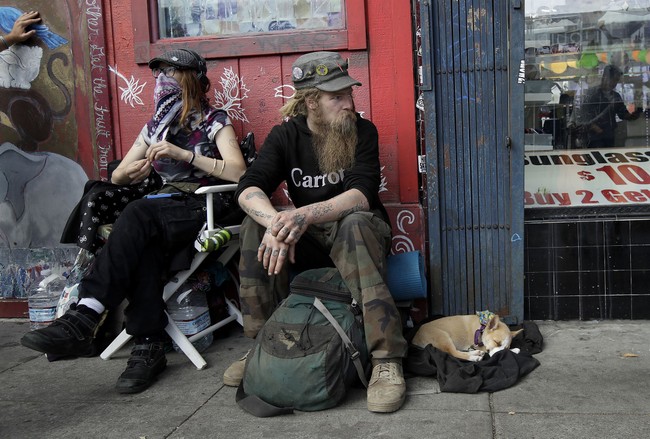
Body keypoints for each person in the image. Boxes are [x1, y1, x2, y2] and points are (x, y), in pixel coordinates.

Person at [20, 49, 247, 394]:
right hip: (161, 210)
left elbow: (239, 172)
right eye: (159, 74)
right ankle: (148, 344)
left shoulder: (214, 120)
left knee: (138, 213)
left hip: (204, 205)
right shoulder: (155, 126)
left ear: (193, 80)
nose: (162, 80)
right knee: (144, 240)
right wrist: (129, 173)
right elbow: (119, 176)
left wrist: (185, 155)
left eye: (171, 73)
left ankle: (87, 313)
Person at [224, 51, 408, 413]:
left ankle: (387, 358)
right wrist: (274, 223)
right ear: (311, 101)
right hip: (307, 241)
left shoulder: (363, 131)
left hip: (358, 236)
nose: (349, 103)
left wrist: (300, 216)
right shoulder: (285, 136)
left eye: (349, 94)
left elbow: (361, 195)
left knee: (355, 221)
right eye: (336, 97)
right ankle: (265, 342)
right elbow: (248, 188)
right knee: (252, 226)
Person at [577, 64, 643, 148]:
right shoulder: (592, 93)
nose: (614, 83)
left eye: (617, 80)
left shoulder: (615, 96)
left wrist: (633, 115)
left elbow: (622, 114)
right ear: (605, 77)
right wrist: (594, 128)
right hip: (594, 137)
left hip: (609, 135)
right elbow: (583, 115)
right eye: (613, 80)